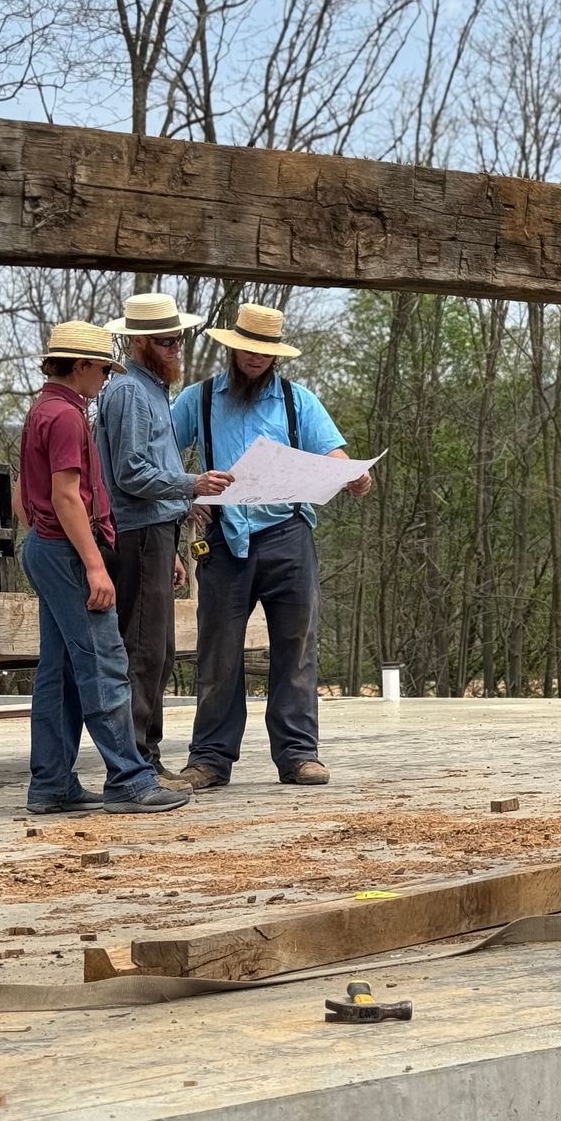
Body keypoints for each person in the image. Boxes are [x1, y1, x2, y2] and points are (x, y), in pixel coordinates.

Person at [170, 303, 372, 789]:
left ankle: (299, 754)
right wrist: (186, 495)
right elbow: (160, 457)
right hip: (222, 540)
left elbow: (335, 455)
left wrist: (355, 476)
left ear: (275, 355)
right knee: (218, 652)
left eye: (265, 352)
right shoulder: (197, 400)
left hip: (287, 535)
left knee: (296, 646)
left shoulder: (296, 400)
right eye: (248, 350)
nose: (255, 359)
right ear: (233, 348)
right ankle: (209, 760)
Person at [15, 321, 191, 815]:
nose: (104, 380)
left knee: (61, 671)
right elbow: (66, 496)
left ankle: (50, 783)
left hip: (45, 547)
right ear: (83, 366)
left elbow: (24, 498)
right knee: (105, 661)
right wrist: (94, 565)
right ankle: (129, 778)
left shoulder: (42, 410)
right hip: (68, 549)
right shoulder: (68, 417)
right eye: (101, 370)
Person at [96, 293, 235, 783]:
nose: (175, 345)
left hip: (154, 534)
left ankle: (145, 759)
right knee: (141, 649)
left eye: (179, 337)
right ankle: (134, 766)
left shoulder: (154, 390)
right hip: (134, 535)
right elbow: (131, 472)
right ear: (138, 342)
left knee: (158, 650)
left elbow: (149, 472)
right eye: (164, 339)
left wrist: (174, 536)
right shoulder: (130, 392)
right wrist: (191, 484)